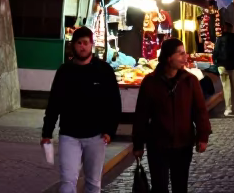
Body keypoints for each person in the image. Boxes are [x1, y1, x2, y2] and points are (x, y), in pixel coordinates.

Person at [41, 27, 120, 193]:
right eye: (79, 43)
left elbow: (114, 103)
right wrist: (47, 133)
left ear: (92, 45)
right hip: (69, 135)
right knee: (67, 182)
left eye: (86, 43)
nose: (82, 47)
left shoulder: (104, 70)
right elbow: (54, 104)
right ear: (73, 45)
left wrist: (110, 131)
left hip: (96, 137)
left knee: (93, 183)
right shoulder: (64, 71)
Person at [132, 38, 211, 193]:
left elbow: (199, 110)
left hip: (183, 144)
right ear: (169, 58)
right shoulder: (150, 82)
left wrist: (203, 136)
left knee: (180, 186)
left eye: (185, 53)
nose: (185, 57)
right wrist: (138, 144)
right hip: (158, 144)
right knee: (159, 187)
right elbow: (141, 115)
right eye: (180, 54)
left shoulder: (190, 81)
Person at [213, 20, 234, 116]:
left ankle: (228, 108)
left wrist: (216, 62)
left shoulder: (219, 39)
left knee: (226, 87)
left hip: (222, 66)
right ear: (231, 29)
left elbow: (215, 52)